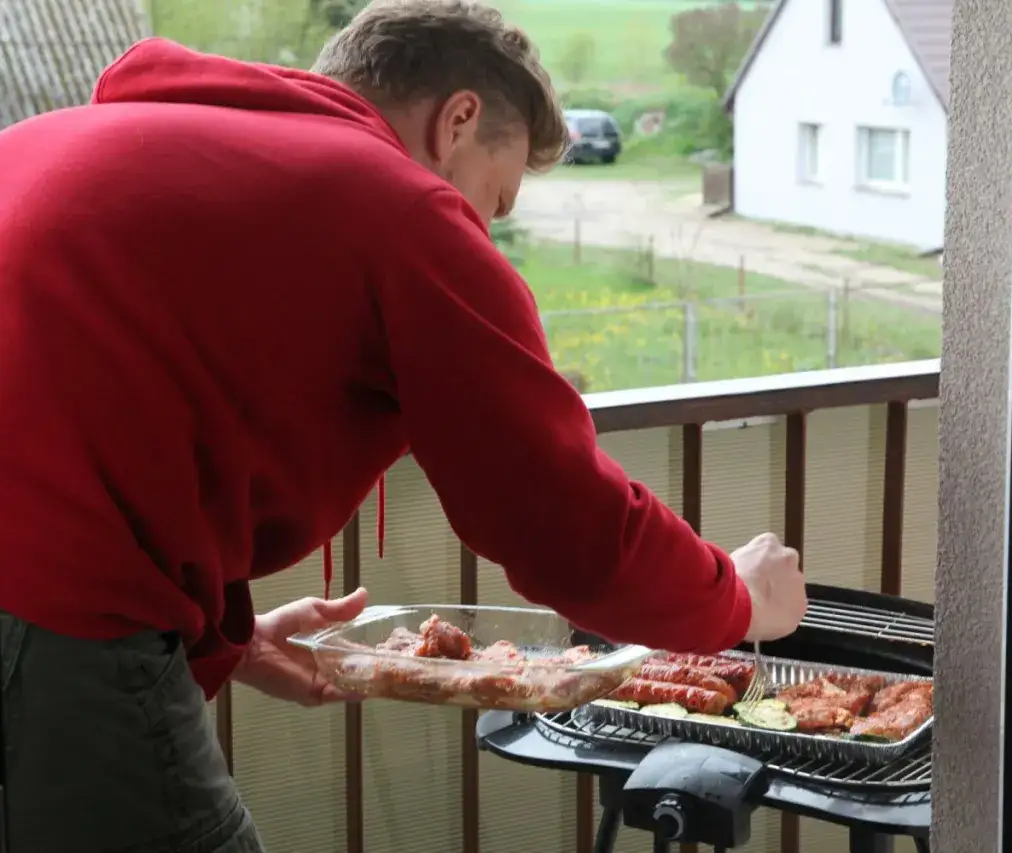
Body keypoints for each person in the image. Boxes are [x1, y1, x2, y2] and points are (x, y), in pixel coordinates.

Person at [0, 2, 807, 850]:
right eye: (495, 199)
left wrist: (222, 635)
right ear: (457, 119)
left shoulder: (77, 137)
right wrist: (736, 595)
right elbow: (556, 512)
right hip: (58, 611)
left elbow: (104, 403)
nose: (484, 229)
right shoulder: (399, 205)